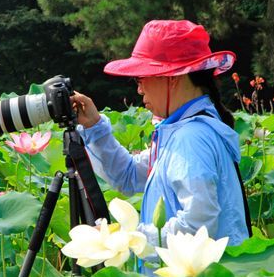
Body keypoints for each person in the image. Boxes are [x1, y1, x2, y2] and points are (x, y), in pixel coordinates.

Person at [71, 20, 250, 251]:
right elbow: (128, 176)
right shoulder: (182, 130)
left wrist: (127, 239)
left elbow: (197, 227)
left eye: (140, 79)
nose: (139, 89)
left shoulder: (191, 137)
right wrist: (94, 126)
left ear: (171, 77)